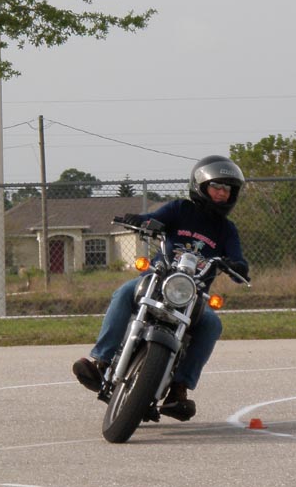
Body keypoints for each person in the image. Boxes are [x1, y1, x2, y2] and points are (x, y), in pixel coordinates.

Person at [72, 155, 250, 422]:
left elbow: (237, 260)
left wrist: (238, 266)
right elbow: (153, 219)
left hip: (193, 293)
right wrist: (141, 221)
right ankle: (101, 361)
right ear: (200, 186)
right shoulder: (180, 209)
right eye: (216, 187)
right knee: (124, 293)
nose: (222, 193)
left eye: (228, 189)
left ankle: (179, 388)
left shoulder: (227, 230)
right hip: (159, 279)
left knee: (212, 324)